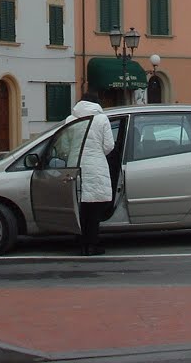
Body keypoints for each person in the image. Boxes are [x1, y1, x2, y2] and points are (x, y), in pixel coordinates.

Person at [70, 89, 114, 256]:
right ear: (96, 103)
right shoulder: (102, 119)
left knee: (79, 208)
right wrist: (97, 153)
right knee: (94, 210)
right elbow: (109, 146)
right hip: (96, 166)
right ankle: (92, 245)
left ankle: (81, 243)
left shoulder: (71, 119)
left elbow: (65, 144)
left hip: (75, 166)